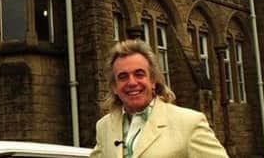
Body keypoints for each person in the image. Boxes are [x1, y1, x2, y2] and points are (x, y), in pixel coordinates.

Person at [89, 39, 228, 158]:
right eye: (123, 76)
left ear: (153, 80)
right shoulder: (104, 126)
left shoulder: (189, 123)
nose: (131, 82)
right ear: (114, 86)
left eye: (139, 74)